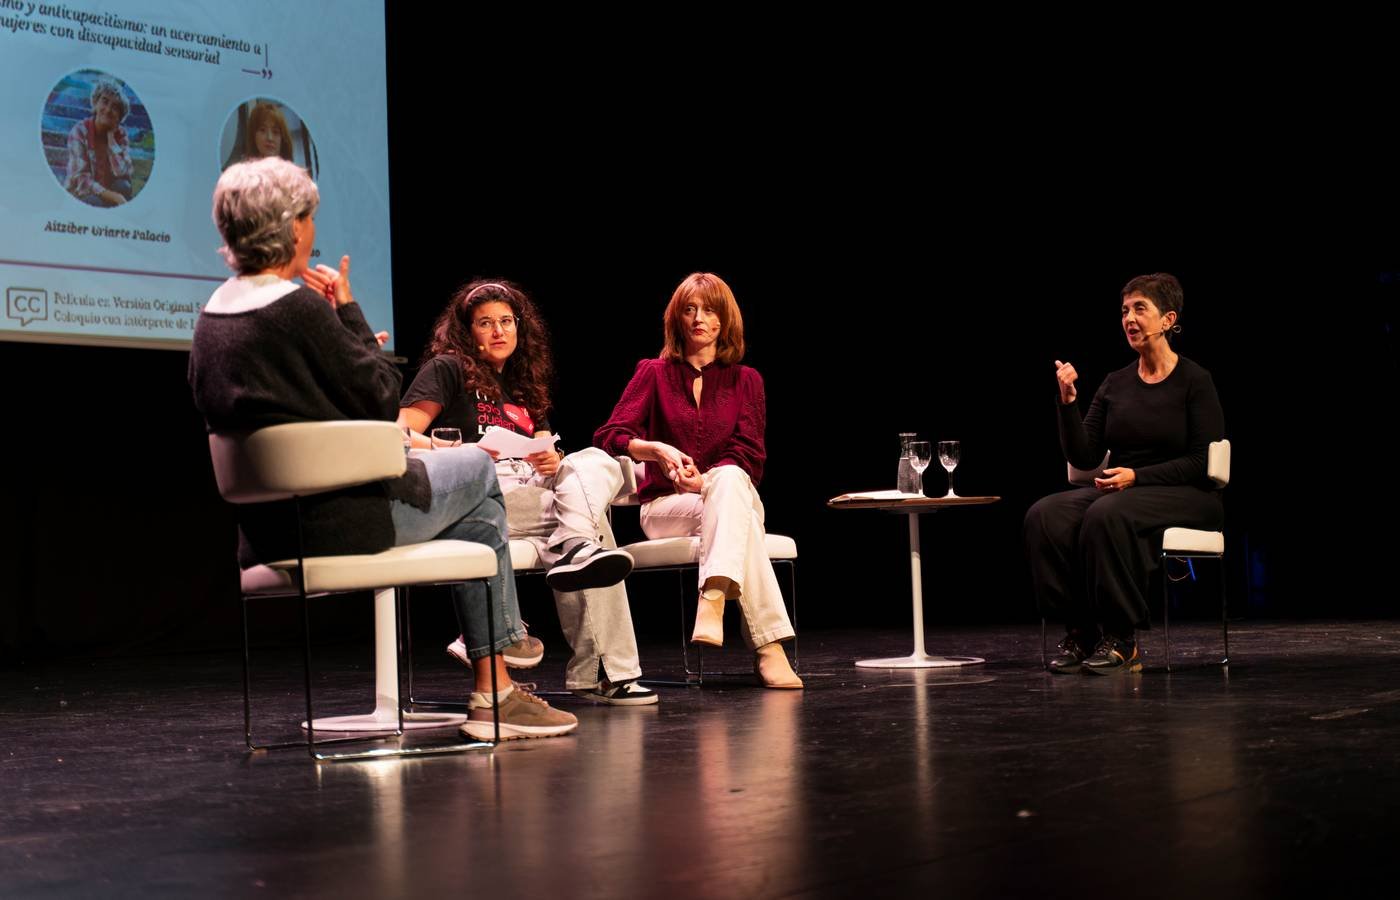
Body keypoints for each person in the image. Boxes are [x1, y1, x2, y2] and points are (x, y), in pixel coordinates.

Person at [188, 157, 575, 739]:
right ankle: (503, 659)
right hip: (341, 523)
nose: (312, 231)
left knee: (481, 522)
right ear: (292, 228)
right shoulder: (294, 309)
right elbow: (379, 395)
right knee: (475, 466)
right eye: (310, 219)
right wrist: (349, 317)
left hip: (268, 532)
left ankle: (496, 689)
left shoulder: (211, 319)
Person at [399, 280, 657, 706]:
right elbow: (401, 434)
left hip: (533, 487)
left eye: (506, 321)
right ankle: (606, 671)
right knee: (593, 527)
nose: (499, 331)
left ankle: (576, 545)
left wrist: (551, 459)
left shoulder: (524, 385)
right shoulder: (447, 369)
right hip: (481, 492)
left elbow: (544, 447)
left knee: (595, 459)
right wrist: (458, 451)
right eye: (485, 323)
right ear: (467, 331)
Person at [594, 272, 801, 689]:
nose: (699, 319)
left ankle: (713, 594)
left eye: (709, 310)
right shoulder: (653, 372)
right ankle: (768, 647)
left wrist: (704, 482)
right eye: (689, 310)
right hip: (667, 507)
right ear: (678, 319)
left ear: (725, 320)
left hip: (727, 495)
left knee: (730, 479)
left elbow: (750, 454)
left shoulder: (747, 380)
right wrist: (656, 450)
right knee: (740, 518)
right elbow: (609, 435)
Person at [1023, 273, 1225, 674]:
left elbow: (1202, 461)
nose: (1129, 318)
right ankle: (1082, 632)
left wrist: (1137, 476)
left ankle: (1122, 639)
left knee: (1107, 513)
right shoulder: (1115, 383)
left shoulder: (1195, 380)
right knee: (1045, 515)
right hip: (1125, 491)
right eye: (1124, 310)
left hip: (1189, 493)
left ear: (1168, 319)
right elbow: (1084, 456)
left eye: (1139, 309)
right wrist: (1068, 403)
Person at [64, 76, 134, 207]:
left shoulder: (120, 134)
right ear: (96, 103)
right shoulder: (80, 131)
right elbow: (82, 180)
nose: (108, 110)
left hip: (108, 193)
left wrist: (112, 141)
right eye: (104, 101)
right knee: (94, 201)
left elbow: (124, 172)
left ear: (119, 117)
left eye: (115, 107)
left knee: (123, 185)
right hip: (81, 195)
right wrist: (114, 196)